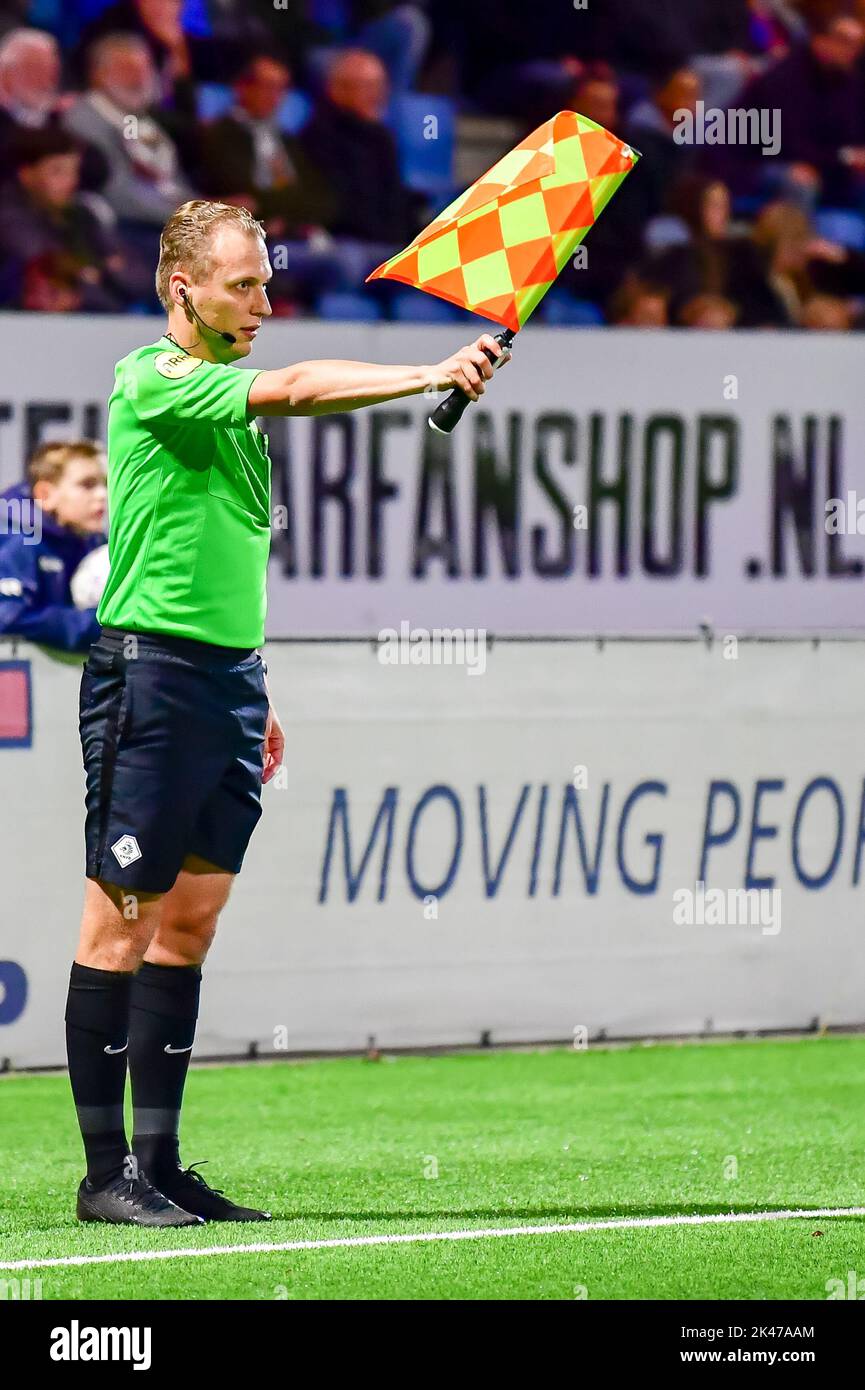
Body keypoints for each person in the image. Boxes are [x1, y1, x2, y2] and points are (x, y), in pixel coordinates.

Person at [68, 198, 510, 1227]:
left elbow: (225, 562)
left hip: (222, 683)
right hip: (150, 676)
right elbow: (302, 387)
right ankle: (102, 1177)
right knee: (118, 922)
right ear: (184, 287)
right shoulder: (156, 378)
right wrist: (429, 371)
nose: (265, 301)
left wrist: (253, 686)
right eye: (244, 284)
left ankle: (160, 1162)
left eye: (267, 281)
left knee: (189, 926)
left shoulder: (222, 393)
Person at [0, 128, 151, 312]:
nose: (70, 181)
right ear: (26, 173)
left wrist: (95, 270)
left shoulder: (82, 214)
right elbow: (49, 267)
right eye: (57, 172)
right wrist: (102, 268)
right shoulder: (9, 216)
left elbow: (140, 279)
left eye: (74, 171)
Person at [0, 441, 107, 654]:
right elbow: (8, 615)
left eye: (105, 484)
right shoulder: (17, 541)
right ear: (46, 495)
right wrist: (100, 625)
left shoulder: (95, 542)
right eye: (87, 484)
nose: (102, 495)